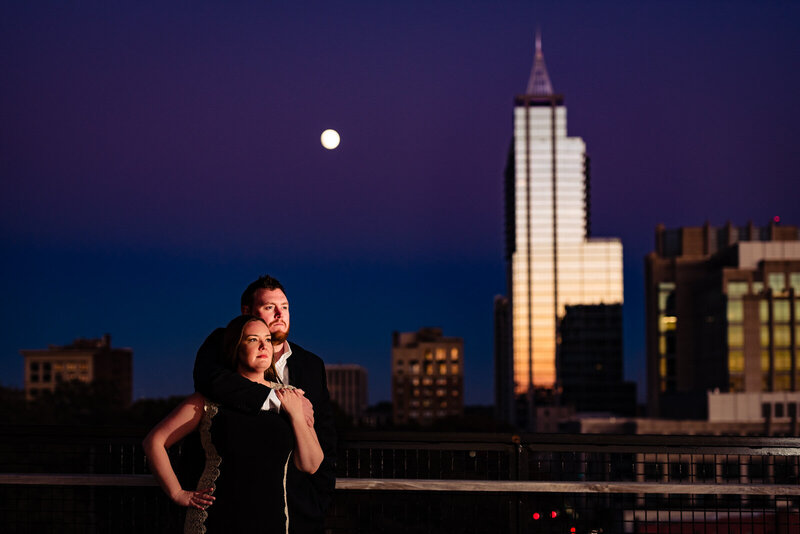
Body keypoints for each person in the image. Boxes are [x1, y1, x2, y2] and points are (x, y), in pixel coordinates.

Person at [144, 315, 323, 533]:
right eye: (252, 339)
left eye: (267, 339)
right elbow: (154, 441)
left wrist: (295, 414)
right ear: (236, 348)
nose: (263, 346)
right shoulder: (209, 397)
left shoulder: (290, 396)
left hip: (270, 519)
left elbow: (311, 464)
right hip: (214, 519)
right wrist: (177, 493)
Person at [193, 275, 336, 534]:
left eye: (285, 306)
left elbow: (325, 435)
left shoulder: (311, 364)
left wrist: (319, 498)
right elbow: (211, 380)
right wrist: (282, 401)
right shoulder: (223, 344)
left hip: (300, 506)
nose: (280, 314)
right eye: (269, 307)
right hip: (235, 502)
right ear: (247, 311)